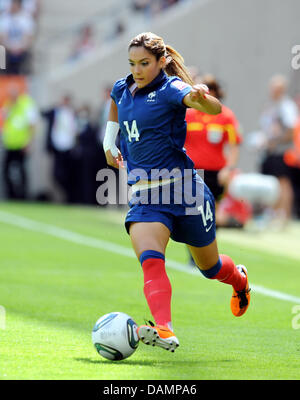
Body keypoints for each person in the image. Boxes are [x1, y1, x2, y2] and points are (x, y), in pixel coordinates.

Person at [103, 32, 251, 352]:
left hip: (185, 192)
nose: (137, 70)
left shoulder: (171, 89)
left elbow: (212, 108)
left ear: (162, 62)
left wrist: (201, 97)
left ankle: (239, 280)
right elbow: (115, 107)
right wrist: (107, 141)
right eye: (132, 63)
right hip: (145, 195)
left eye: (145, 63)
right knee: (151, 260)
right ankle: (165, 328)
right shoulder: (121, 87)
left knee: (209, 268)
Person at [259, 74, 298, 226]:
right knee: (273, 183)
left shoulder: (286, 106)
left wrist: (276, 140)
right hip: (271, 151)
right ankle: (273, 213)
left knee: (283, 182)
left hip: (282, 151)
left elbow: (291, 130)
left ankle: (284, 215)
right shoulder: (271, 105)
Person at [1, 83, 38, 199]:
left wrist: (29, 142)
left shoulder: (26, 103)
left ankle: (22, 195)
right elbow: (4, 120)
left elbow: (32, 124)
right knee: (6, 170)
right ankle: (10, 195)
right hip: (9, 144)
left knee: (22, 171)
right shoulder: (8, 105)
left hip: (22, 144)